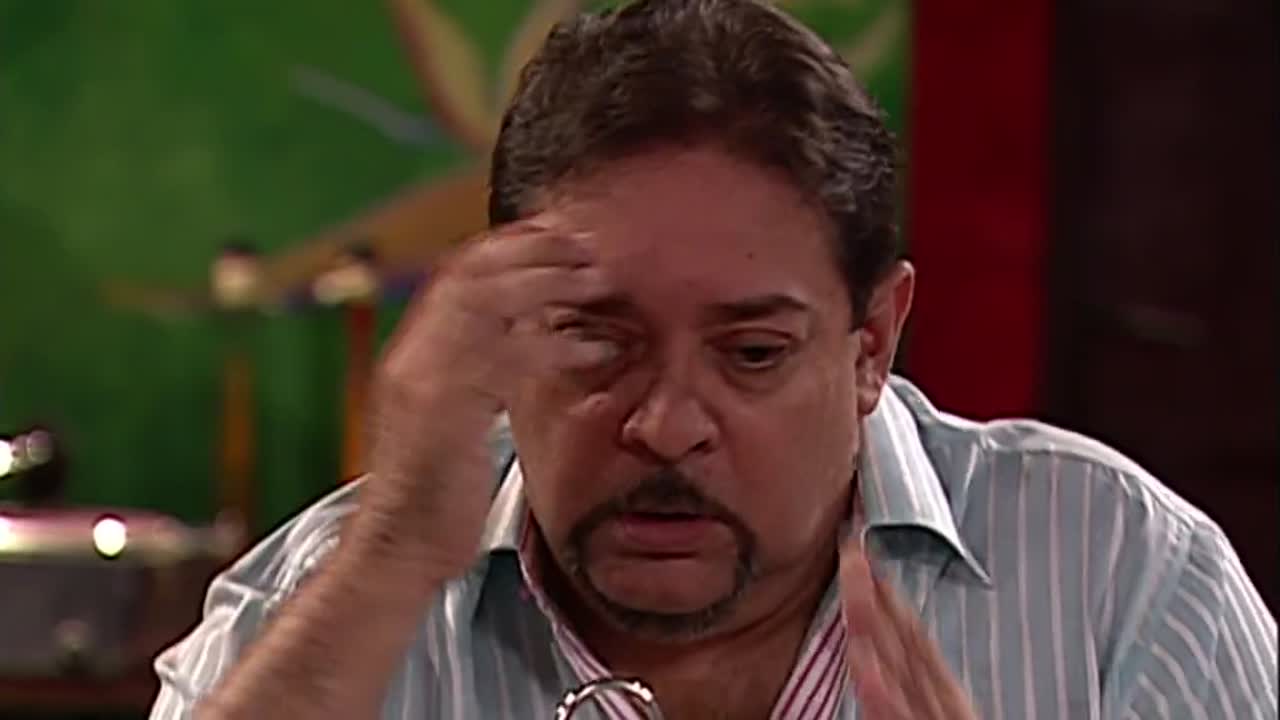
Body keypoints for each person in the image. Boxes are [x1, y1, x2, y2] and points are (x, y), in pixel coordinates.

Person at [150, 1, 1278, 718]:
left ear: (871, 343)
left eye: (750, 353)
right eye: (597, 340)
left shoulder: (1122, 583)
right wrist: (394, 559)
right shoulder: (334, 598)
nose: (665, 423)